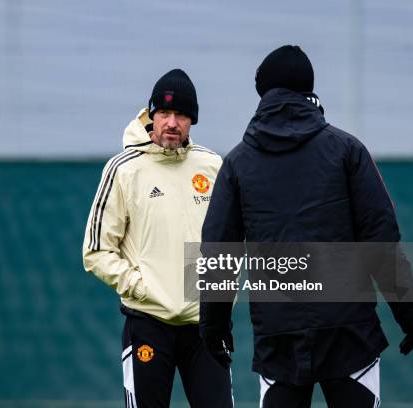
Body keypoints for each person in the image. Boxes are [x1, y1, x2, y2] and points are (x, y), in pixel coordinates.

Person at [200, 45, 413, 407]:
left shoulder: (238, 163)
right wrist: (408, 310)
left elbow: (217, 249)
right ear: (310, 92)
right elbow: (380, 238)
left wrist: (213, 325)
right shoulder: (347, 150)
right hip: (349, 333)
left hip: (279, 339)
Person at [83, 69, 233, 407]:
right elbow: (96, 250)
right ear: (151, 116)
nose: (171, 122)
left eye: (181, 114)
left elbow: (229, 240)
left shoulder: (212, 166)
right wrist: (141, 286)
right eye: (164, 113)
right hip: (148, 324)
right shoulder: (123, 169)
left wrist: (221, 297)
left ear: (191, 120)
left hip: (204, 326)